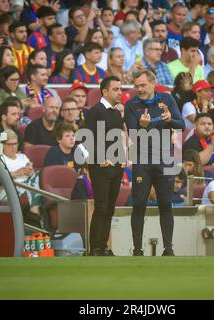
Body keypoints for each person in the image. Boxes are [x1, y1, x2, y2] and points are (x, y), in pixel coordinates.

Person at [125, 69, 185, 256]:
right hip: (142, 160)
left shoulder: (167, 100)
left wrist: (170, 120)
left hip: (165, 159)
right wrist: (141, 127)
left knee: (166, 203)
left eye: (143, 85)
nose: (140, 89)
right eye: (137, 86)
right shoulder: (131, 105)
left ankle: (168, 248)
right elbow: (133, 134)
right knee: (139, 203)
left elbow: (181, 125)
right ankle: (137, 249)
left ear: (153, 83)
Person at [83, 76, 125, 256]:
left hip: (116, 166)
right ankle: (95, 247)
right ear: (105, 91)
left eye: (120, 89)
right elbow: (86, 137)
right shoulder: (95, 111)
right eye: (115, 89)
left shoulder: (116, 113)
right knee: (101, 207)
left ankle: (104, 246)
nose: (120, 92)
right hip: (100, 167)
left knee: (110, 208)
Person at [0, 129, 42, 216]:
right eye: (10, 144)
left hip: (29, 186)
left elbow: (32, 176)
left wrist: (30, 172)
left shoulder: (22, 156)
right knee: (37, 189)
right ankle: (35, 211)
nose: (14, 147)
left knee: (41, 174)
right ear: (2, 145)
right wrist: (15, 173)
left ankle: (36, 212)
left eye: (15, 144)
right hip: (11, 192)